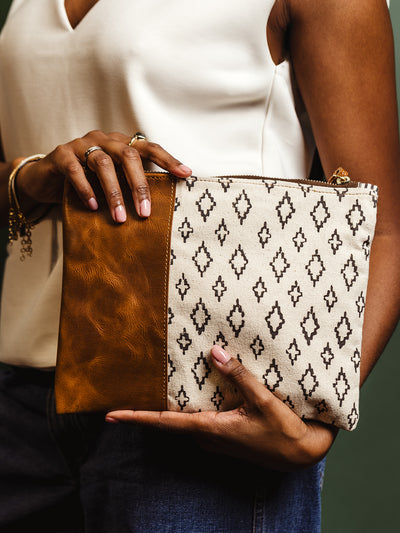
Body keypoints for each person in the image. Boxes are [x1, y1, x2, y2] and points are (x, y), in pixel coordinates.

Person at [0, 0, 399, 531]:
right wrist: (31, 178)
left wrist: (317, 425)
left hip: (202, 403)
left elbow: (386, 226)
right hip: (21, 399)